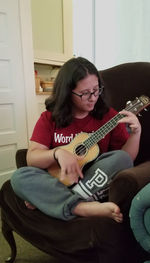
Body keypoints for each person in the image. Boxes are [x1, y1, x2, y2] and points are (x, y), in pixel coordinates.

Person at [11, 57, 141, 223]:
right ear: (67, 92)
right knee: (19, 177)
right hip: (57, 180)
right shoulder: (50, 118)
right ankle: (82, 207)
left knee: (121, 159)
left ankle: (56, 201)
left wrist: (136, 133)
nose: (93, 97)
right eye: (85, 93)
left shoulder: (110, 116)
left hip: (93, 180)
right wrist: (58, 153)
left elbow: (126, 159)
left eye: (96, 90)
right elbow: (32, 158)